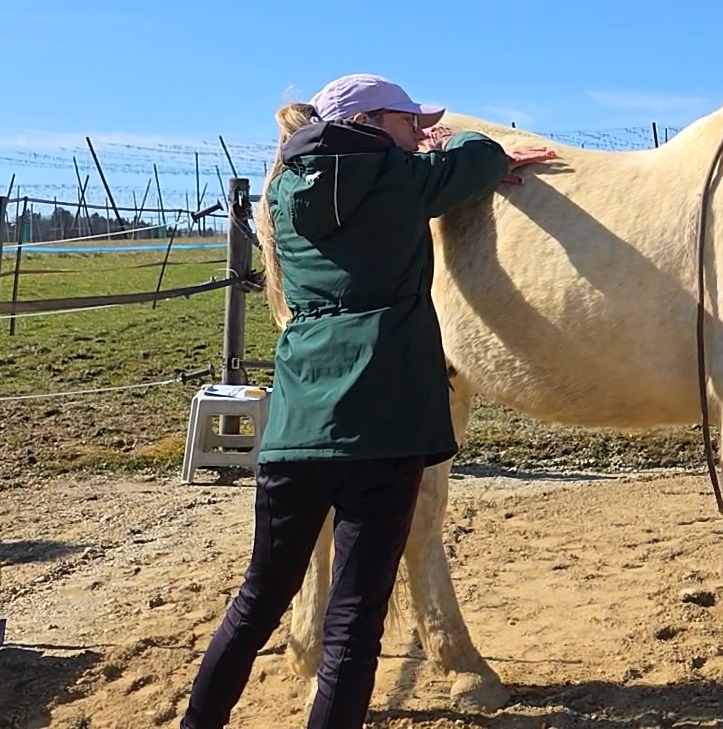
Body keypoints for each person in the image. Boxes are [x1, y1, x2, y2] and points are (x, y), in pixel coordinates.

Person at [181, 73, 556, 729]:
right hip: (383, 429)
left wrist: (415, 145)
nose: (418, 130)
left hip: (296, 430)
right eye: (409, 120)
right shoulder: (398, 180)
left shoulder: (282, 190)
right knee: (355, 625)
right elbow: (476, 160)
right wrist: (480, 149)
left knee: (254, 601)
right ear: (373, 121)